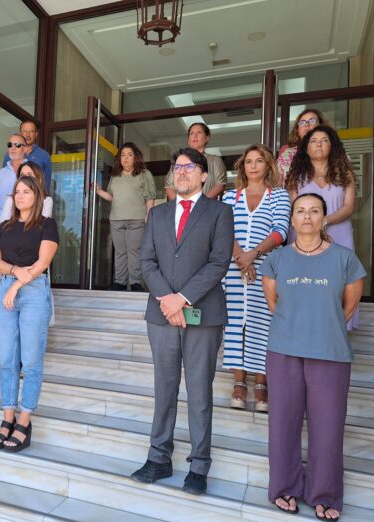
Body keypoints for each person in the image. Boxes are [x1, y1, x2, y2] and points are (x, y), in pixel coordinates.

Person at [131, 147, 234, 495]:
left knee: (200, 391)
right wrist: (168, 299)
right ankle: (158, 458)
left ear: (204, 175)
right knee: (165, 388)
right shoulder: (158, 214)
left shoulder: (220, 212)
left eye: (190, 167)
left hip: (203, 315)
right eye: (177, 167)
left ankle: (199, 465)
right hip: (161, 315)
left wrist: (183, 298)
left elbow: (219, 262)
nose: (182, 172)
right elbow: (147, 262)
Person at [261, 193, 365, 520]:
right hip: (284, 351)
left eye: (314, 211)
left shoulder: (345, 259)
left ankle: (325, 494)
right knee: (283, 424)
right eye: (301, 211)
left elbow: (348, 307)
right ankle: (284, 487)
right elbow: (274, 304)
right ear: (292, 219)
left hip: (330, 352)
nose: (307, 216)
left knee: (328, 427)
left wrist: (323, 327)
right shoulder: (276, 259)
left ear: (323, 218)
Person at [0, 175, 59, 452]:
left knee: (30, 361)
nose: (20, 196)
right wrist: (13, 272)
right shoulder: (4, 226)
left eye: (26, 192)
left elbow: (42, 263)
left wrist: (16, 283)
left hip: (33, 292)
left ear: (36, 196)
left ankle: (24, 420)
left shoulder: (46, 225)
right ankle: (7, 417)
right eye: (16, 192)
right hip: (8, 288)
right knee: (7, 359)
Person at [221, 144, 290, 413]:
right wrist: (241, 258)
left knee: (264, 323)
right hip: (234, 268)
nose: (253, 165)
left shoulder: (279, 196)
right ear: (242, 166)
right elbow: (223, 230)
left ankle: (262, 383)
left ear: (267, 165)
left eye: (258, 160)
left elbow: (280, 231)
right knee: (234, 323)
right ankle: (239, 382)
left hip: (266, 269)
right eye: (248, 161)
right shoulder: (230, 196)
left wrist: (253, 255)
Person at [285, 125, 359, 329]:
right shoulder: (295, 177)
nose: (319, 144)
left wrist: (323, 222)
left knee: (339, 282)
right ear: (306, 148)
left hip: (339, 234)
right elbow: (294, 209)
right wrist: (314, 227)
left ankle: (338, 328)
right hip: (304, 236)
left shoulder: (345, 174)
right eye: (314, 141)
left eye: (324, 140)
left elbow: (349, 207)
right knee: (304, 281)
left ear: (332, 145)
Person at [0, 162, 56, 326]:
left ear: (38, 177)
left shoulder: (46, 202)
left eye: (29, 175)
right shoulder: (12, 200)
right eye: (22, 175)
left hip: (34, 269)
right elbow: (3, 223)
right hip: (9, 266)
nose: (25, 177)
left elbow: (38, 225)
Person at [95, 142, 156, 291]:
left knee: (134, 251)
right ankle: (120, 282)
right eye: (123, 155)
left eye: (129, 155)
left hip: (137, 219)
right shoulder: (115, 175)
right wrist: (98, 191)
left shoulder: (144, 174)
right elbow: (111, 196)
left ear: (135, 157)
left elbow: (150, 196)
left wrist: (149, 215)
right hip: (116, 219)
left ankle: (135, 283)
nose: (126, 158)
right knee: (120, 252)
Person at [0, 134, 29, 321]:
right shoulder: (0, 173)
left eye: (17, 144)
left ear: (25, 148)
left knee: (24, 263)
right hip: (2, 224)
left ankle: (23, 310)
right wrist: (2, 219)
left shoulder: (30, 170)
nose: (13, 148)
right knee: (0, 266)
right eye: (10, 144)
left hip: (25, 224)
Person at [166, 122, 226, 200]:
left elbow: (220, 184)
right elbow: (169, 186)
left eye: (199, 132)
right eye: (192, 133)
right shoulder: (179, 161)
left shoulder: (215, 160)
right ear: (188, 140)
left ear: (207, 138)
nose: (195, 136)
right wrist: (180, 203)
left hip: (207, 205)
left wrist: (201, 203)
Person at [276, 108, 330, 184]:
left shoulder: (334, 152)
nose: (307, 125)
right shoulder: (287, 155)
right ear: (297, 131)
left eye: (312, 121)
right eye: (302, 122)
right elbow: (275, 184)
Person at [2, 119, 52, 194]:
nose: (28, 135)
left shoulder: (44, 155)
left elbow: (46, 183)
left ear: (36, 134)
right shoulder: (10, 153)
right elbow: (4, 178)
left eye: (31, 131)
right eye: (25, 131)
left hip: (35, 198)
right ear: (20, 134)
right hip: (13, 196)